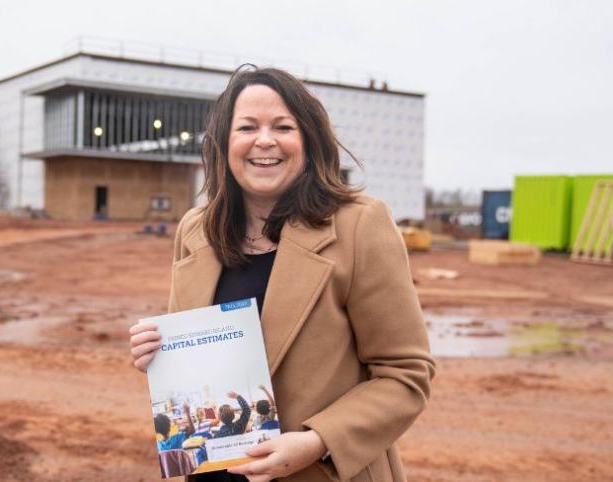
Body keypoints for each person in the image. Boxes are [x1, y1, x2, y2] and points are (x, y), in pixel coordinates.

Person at [130, 66, 435, 482]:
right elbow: (195, 363)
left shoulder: (359, 226)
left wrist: (317, 441)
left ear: (308, 141)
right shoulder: (195, 230)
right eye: (247, 127)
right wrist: (159, 355)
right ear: (225, 143)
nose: (265, 140)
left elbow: (406, 376)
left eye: (283, 126)